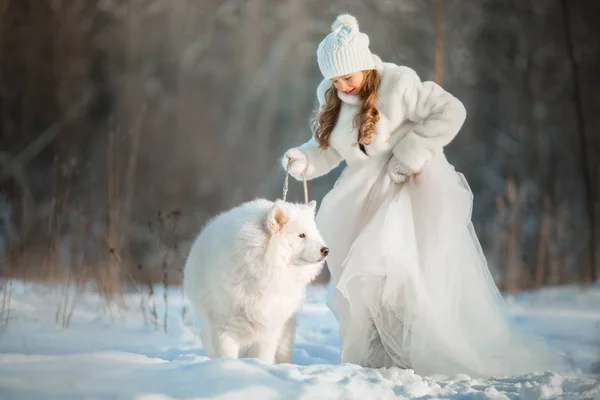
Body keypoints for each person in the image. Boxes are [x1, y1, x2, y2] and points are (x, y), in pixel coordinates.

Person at [280, 13, 570, 378]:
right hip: (362, 195)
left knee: (402, 272)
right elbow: (328, 150)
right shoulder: (334, 98)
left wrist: (410, 152)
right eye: (334, 79)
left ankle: (418, 350)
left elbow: (451, 111)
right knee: (365, 279)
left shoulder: (399, 84)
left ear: (363, 67)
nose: (342, 86)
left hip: (410, 187)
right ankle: (377, 354)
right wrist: (305, 159)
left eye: (347, 77)